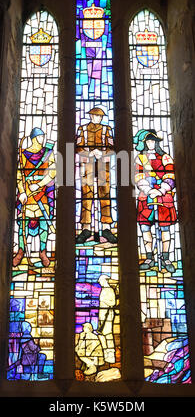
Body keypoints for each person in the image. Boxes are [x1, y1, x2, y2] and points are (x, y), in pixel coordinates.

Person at [133, 129, 177, 273]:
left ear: (157, 142)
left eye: (153, 141)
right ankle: (149, 257)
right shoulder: (140, 158)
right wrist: (148, 190)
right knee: (145, 228)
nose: (151, 143)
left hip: (164, 197)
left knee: (165, 228)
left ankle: (165, 258)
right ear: (144, 143)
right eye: (148, 141)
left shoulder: (166, 158)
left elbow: (170, 175)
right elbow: (138, 176)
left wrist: (161, 190)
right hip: (146, 197)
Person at [13, 127, 56, 267]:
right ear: (34, 138)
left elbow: (52, 172)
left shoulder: (49, 153)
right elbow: (19, 175)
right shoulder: (24, 154)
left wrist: (39, 185)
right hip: (27, 193)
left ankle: (42, 251)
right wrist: (22, 192)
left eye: (43, 137)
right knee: (23, 223)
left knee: (44, 222)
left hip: (42, 192)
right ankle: (21, 250)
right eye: (40, 137)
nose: (42, 139)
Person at [76, 107, 117, 244]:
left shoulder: (107, 130)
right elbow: (78, 147)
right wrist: (89, 154)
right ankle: (86, 228)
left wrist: (102, 153)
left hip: (102, 165)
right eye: (95, 116)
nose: (98, 118)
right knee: (86, 195)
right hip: (87, 164)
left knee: (105, 194)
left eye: (100, 116)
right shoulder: (82, 129)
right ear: (91, 116)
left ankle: (106, 228)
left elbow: (112, 148)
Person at [97, 275, 116, 364]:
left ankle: (111, 355)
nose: (100, 282)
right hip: (102, 315)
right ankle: (106, 354)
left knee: (108, 334)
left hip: (108, 315)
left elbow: (113, 302)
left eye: (100, 281)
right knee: (101, 335)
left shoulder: (109, 290)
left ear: (105, 281)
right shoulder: (104, 290)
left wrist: (105, 301)